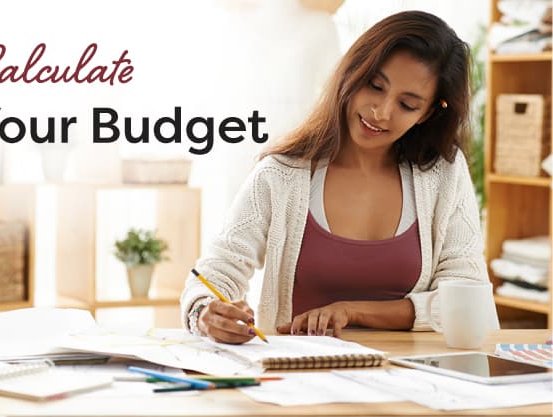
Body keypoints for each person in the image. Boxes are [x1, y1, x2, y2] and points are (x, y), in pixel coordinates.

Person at [180, 10, 499, 344]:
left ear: (427, 114)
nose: (381, 111)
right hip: (303, 377)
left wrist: (352, 311)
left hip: (414, 377)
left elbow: (464, 295)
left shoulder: (443, 174)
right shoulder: (280, 175)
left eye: (407, 104)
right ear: (353, 71)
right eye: (375, 86)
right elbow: (215, 271)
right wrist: (204, 312)